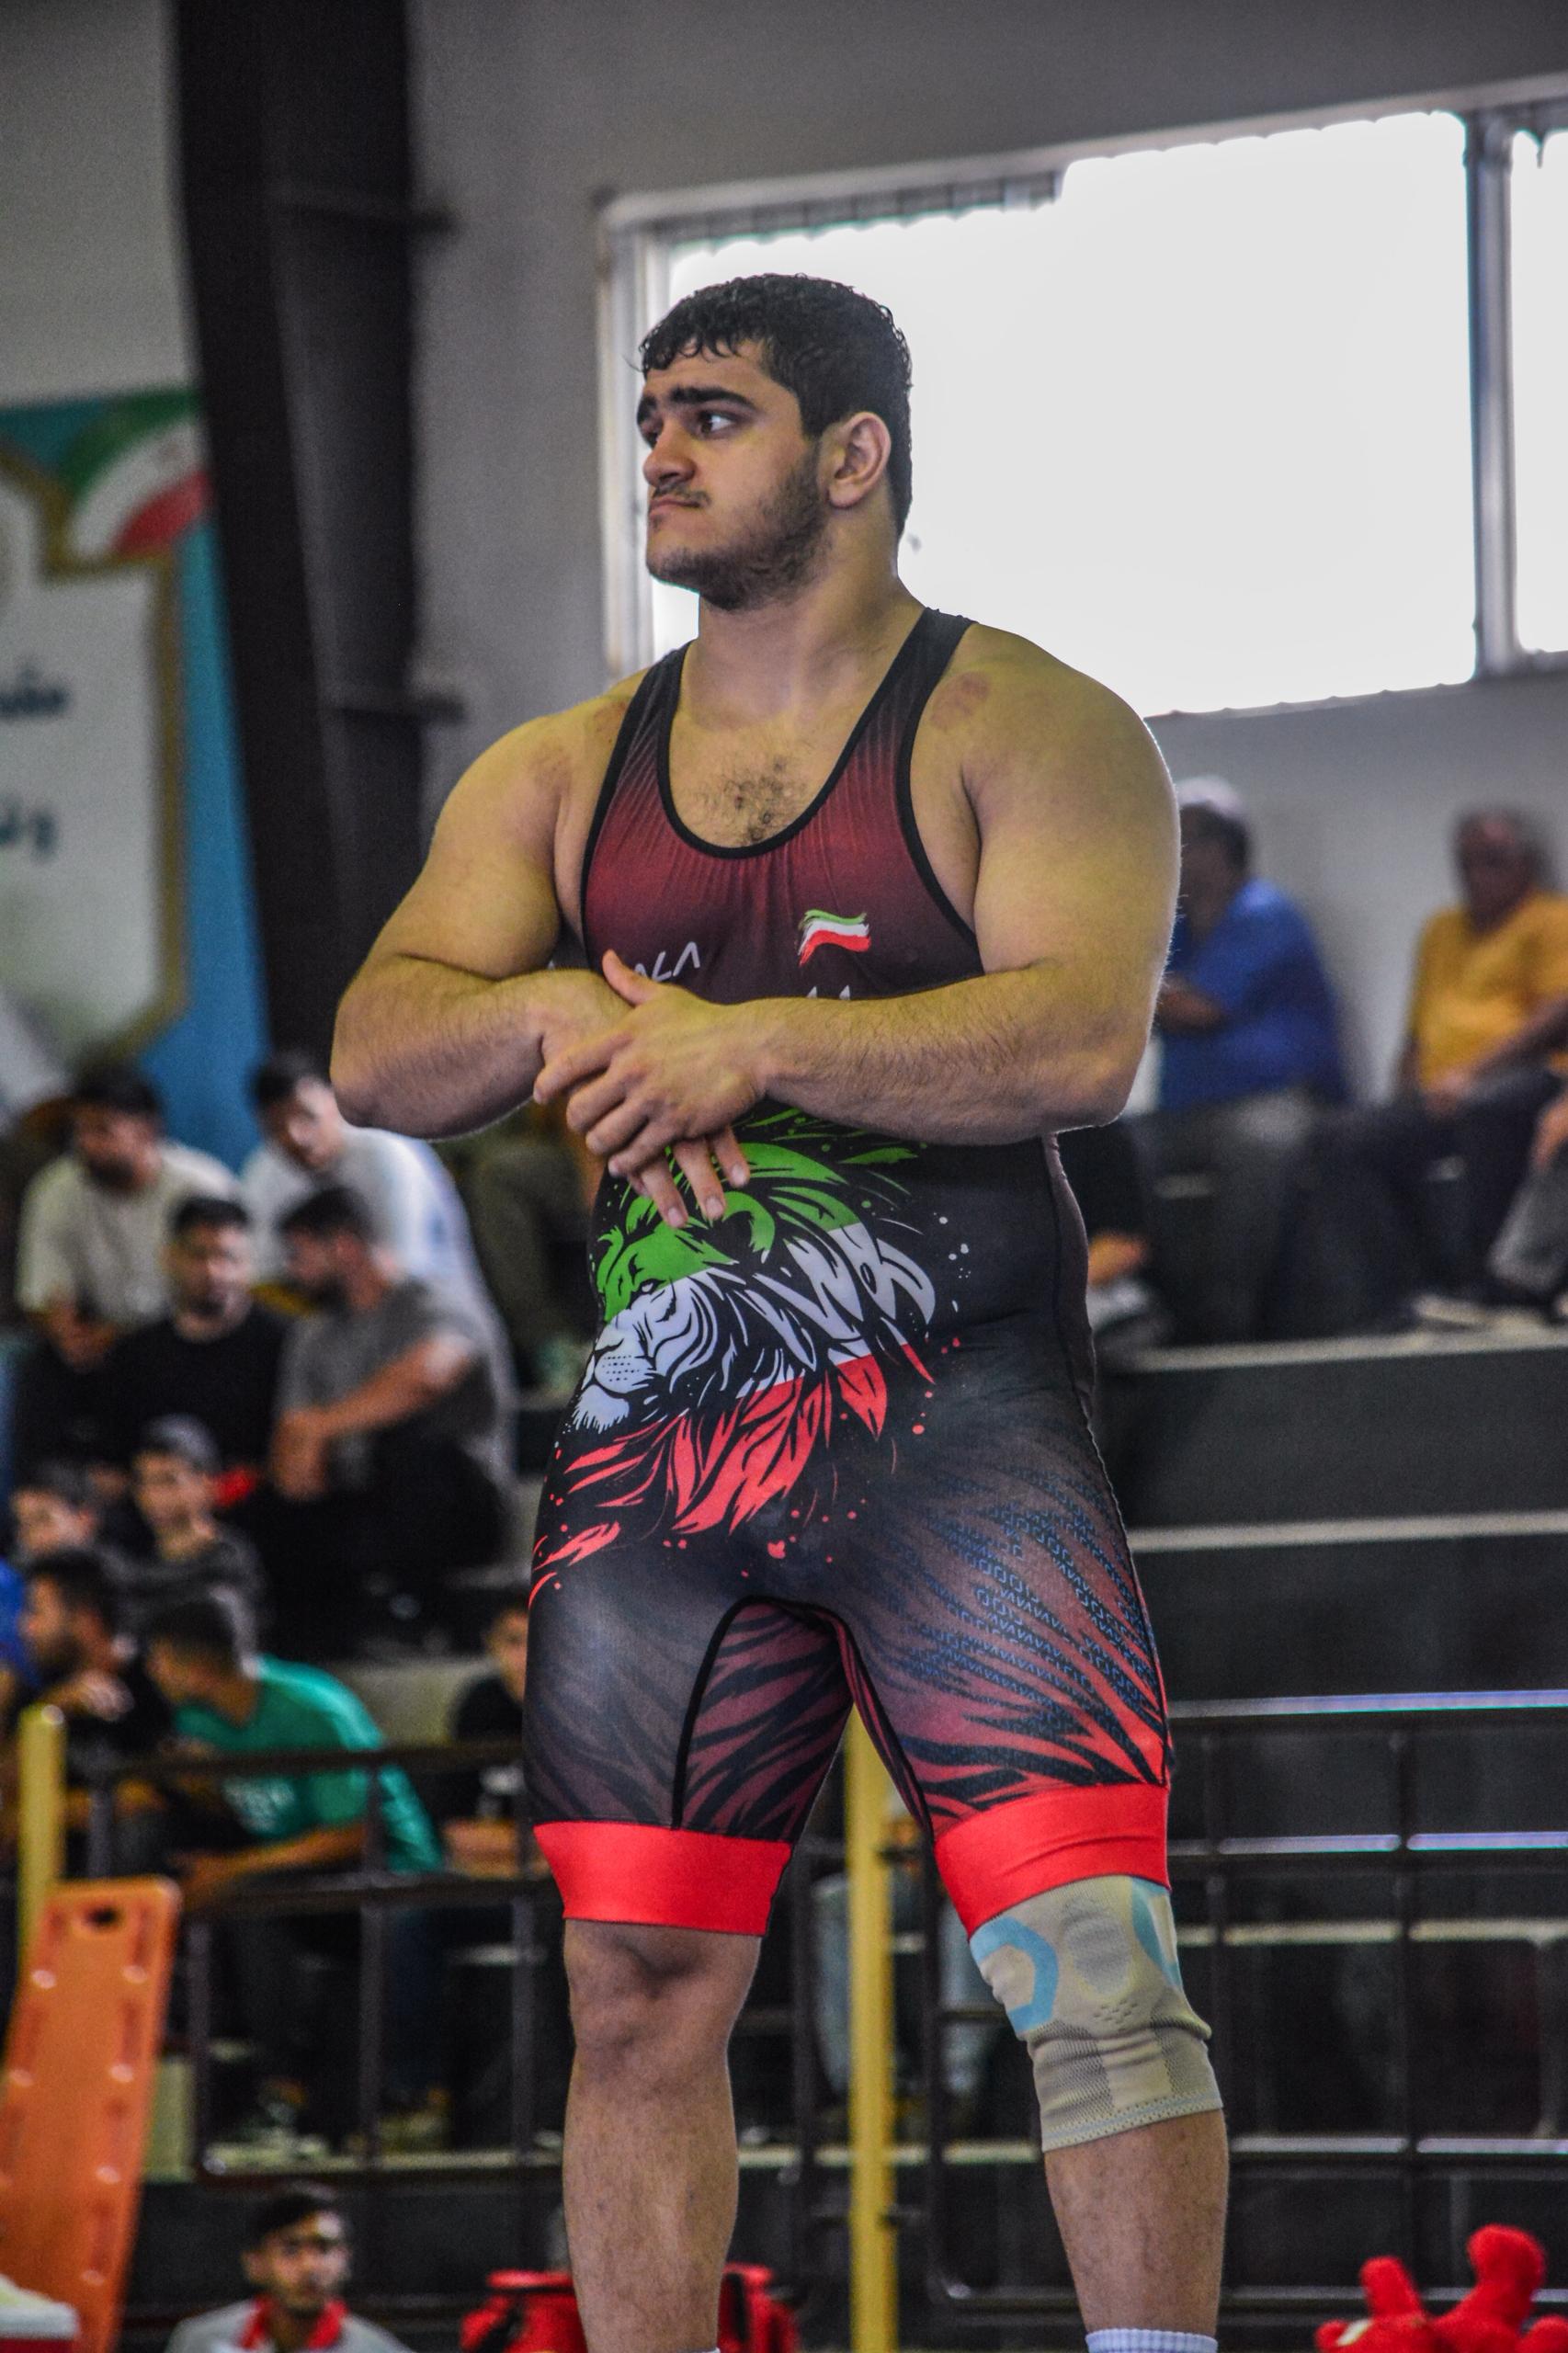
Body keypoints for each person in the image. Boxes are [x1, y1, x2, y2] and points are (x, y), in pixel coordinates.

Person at [330, 273, 1225, 2353]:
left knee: (1092, 1964)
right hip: (663, 1463)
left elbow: (1078, 1040)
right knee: (633, 1990)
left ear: (852, 454)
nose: (658, 447)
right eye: (648, 408)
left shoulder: (1026, 724)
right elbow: (379, 1047)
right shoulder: (569, 767)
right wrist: (556, 1007)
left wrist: (747, 1041)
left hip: (960, 1437)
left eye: (711, 411)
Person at [143, 1592, 443, 2143]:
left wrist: (234, 1867)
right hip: (290, 1866)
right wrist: (202, 1796)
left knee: (255, 1900)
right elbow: (256, 1806)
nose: (153, 1671)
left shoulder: (309, 1708)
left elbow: (354, 1832)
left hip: (390, 1868)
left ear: (196, 1664)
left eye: (159, 1658)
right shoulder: (197, 1719)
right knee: (210, 1894)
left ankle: (285, 2093)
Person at [1309, 811, 1568, 1333]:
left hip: (1532, 1080)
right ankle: (1403, 1293)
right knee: (1342, 1139)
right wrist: (1404, 1095)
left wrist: (1473, 1074)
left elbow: (1558, 1013)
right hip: (1444, 1091)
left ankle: (1495, 1289)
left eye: (1492, 861)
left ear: (1526, 863)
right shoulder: (1441, 930)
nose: (1477, 876)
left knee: (1489, 1109)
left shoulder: (1552, 919)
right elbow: (1417, 1032)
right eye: (1465, 863)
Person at [1134, 779, 1345, 1340]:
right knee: (1116, 1146)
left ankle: (1233, 1317)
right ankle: (1149, 1307)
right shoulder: (1176, 929)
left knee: (1257, 1146)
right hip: (1191, 1113)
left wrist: (1110, 983)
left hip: (1278, 1101)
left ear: (1222, 846)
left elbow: (1200, 1008)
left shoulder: (1264, 912)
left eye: (1182, 838)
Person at [268, 1186, 512, 1652]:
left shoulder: (436, 1302)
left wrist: (324, 1426)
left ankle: (421, 1615)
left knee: (407, 1445)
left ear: (344, 1245)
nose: (293, 1271)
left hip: (458, 1500)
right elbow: (292, 1435)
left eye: (301, 1255)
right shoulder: (313, 1333)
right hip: (360, 1499)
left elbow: (429, 1376)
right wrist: (302, 1461)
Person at [11, 1065, 237, 1470]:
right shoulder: (57, 1189)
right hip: (100, 1345)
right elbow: (42, 1291)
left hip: (186, 1334)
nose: (86, 1144)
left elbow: (226, 1289)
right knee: (42, 1369)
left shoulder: (198, 1185)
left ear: (147, 1130)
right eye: (80, 1130)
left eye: (102, 1130)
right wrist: (63, 1329)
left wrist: (123, 1334)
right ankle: (45, 1496)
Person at [242, 1049, 501, 1339]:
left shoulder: (387, 1153)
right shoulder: (264, 1172)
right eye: (276, 1128)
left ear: (334, 1102)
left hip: (442, 1322)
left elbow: (402, 1272)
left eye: (307, 1116)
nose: (295, 1136)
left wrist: (324, 1270)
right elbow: (262, 1279)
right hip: (343, 1333)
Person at [101, 1196, 286, 1501]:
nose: (214, 1271)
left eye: (228, 1257)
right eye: (199, 1256)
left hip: (258, 1508)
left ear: (248, 1263)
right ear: (170, 1257)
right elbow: (114, 1464)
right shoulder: (135, 1355)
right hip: (157, 1512)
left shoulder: (285, 1344)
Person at [4, 1549, 174, 1870]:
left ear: (86, 1621)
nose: (25, 1627)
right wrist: (54, 1707)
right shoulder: (41, 1692)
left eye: (36, 1611)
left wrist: (50, 1811)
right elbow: (7, 1805)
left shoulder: (159, 1685)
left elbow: (148, 1800)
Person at [163, 2182, 413, 2353]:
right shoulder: (200, 2342)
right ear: (256, 2263)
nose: (309, 2266)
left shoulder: (380, 2350)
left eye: (324, 2248)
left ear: (346, 2260)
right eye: (290, 2249)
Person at [128, 1415, 266, 1627]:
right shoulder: (131, 1565)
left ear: (206, 1483)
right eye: (144, 1481)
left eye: (168, 1481)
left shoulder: (230, 1564)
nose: (153, 1495)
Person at [6, 1455, 104, 1563]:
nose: (27, 1536)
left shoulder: (111, 1570)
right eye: (21, 1524)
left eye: (42, 1519)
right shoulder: (13, 1568)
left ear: (84, 1519)